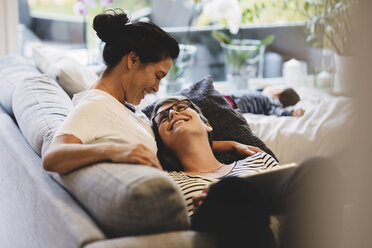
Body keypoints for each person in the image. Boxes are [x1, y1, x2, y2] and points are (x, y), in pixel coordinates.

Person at [43, 10, 254, 175]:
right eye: (158, 76)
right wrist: (117, 152)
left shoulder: (119, 106)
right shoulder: (95, 105)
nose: (156, 88)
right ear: (133, 60)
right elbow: (53, 156)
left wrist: (230, 145)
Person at [151, 96, 343, 248]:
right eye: (162, 118)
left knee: (318, 169)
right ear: (163, 144)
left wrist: (231, 147)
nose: (172, 114)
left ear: (207, 125)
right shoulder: (167, 180)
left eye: (180, 108)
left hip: (271, 211)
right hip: (211, 222)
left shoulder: (258, 158)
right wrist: (217, 197)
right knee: (230, 189)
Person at [223, 86, 305, 117]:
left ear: (278, 91)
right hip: (229, 97)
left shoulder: (272, 102)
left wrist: (291, 113)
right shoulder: (261, 94)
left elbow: (278, 112)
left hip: (232, 104)